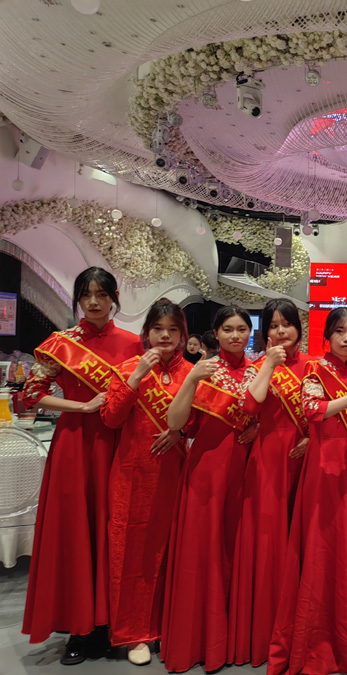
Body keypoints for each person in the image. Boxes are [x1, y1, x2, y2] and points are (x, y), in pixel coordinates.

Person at [21, 267, 143, 664]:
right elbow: (31, 395)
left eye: (101, 294)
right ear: (78, 299)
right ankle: (79, 627)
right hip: (74, 446)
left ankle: (111, 624)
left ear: (114, 297)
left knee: (113, 530)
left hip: (119, 445)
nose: (93, 302)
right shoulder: (62, 343)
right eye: (86, 294)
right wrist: (82, 406)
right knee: (76, 531)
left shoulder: (133, 343)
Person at [268, 308, 347, 675]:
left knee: (346, 545)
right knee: (322, 548)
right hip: (323, 467)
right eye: (339, 332)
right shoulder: (315, 371)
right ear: (326, 337)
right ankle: (316, 640)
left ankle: (346, 634)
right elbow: (314, 411)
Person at [159, 306, 259, 673]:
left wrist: (259, 428)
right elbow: (175, 422)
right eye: (227, 329)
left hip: (246, 471)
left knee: (237, 550)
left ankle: (236, 637)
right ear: (215, 334)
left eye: (242, 329)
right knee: (204, 552)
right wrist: (190, 379)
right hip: (206, 472)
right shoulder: (204, 370)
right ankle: (201, 639)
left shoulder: (258, 370)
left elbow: (272, 417)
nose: (235, 335)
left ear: (250, 333)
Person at [102, 298, 193, 665]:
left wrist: (181, 430)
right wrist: (137, 375)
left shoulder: (192, 372)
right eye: (158, 329)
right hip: (132, 476)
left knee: (171, 550)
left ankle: (167, 624)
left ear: (183, 335)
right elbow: (111, 418)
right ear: (146, 332)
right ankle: (134, 633)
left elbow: (200, 421)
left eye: (173, 330)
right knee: (131, 551)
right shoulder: (127, 368)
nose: (165, 336)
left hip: (176, 475)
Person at [229, 299, 313, 668]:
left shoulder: (314, 366)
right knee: (269, 542)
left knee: (303, 539)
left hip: (306, 459)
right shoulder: (258, 366)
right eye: (273, 325)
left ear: (298, 328)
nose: (280, 331)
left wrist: (313, 438)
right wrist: (269, 364)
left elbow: (328, 414)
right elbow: (250, 406)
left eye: (286, 324)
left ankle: (302, 626)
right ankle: (266, 630)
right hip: (268, 463)